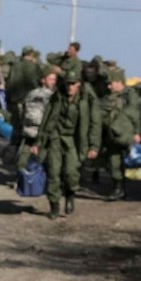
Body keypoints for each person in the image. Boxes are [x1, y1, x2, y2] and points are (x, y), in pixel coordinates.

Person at [39, 70, 98, 217]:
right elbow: (47, 118)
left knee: (71, 172)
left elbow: (95, 123)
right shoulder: (57, 97)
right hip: (55, 137)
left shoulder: (86, 100)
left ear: (79, 84)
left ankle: (70, 193)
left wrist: (94, 145)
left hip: (74, 140)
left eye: (73, 84)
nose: (69, 87)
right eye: (67, 84)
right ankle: (54, 205)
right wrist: (39, 141)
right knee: (53, 171)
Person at [98, 68, 141, 200]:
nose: (109, 86)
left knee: (135, 162)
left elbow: (135, 114)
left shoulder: (130, 95)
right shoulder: (107, 98)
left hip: (127, 133)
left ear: (118, 82)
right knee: (114, 161)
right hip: (113, 135)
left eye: (111, 83)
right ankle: (118, 188)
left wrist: (137, 132)